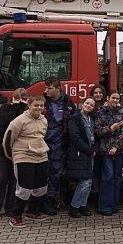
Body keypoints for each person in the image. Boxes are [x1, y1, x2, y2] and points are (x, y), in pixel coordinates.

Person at [3, 94, 49, 228]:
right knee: (24, 187)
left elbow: (42, 136)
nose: (39, 108)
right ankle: (16, 216)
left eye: (41, 105)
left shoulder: (44, 120)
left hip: (41, 156)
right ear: (29, 105)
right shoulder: (19, 121)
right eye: (36, 105)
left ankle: (33, 212)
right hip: (23, 156)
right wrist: (11, 156)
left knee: (41, 186)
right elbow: (8, 139)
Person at [0, 88, 28, 219]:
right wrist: (18, 105)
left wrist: (22, 105)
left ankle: (10, 208)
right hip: (0, 150)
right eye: (18, 98)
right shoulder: (4, 109)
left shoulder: (25, 110)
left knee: (13, 181)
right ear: (13, 97)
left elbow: (24, 121)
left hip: (17, 150)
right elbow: (8, 121)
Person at [43, 77, 76, 215]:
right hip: (43, 144)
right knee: (43, 173)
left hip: (59, 145)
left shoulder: (68, 103)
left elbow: (74, 122)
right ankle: (41, 202)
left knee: (56, 174)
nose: (46, 91)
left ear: (57, 89)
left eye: (49, 88)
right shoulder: (43, 102)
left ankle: (52, 201)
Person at [95, 90, 123, 216]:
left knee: (117, 177)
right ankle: (104, 207)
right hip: (105, 150)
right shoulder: (100, 112)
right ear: (108, 98)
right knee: (107, 177)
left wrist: (116, 147)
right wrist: (110, 128)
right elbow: (98, 131)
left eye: (117, 99)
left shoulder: (122, 112)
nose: (115, 100)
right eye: (113, 98)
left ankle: (115, 205)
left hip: (118, 150)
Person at [66, 98, 97, 218]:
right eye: (87, 103)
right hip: (80, 153)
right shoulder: (74, 118)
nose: (89, 106)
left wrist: (95, 149)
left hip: (90, 153)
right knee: (84, 181)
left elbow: (95, 135)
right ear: (82, 104)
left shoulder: (92, 118)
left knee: (89, 182)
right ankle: (74, 207)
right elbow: (75, 137)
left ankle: (82, 205)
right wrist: (89, 150)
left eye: (92, 105)